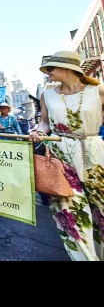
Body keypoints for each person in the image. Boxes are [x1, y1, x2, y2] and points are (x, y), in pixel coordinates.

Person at [29, 50, 104, 261]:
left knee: (100, 211)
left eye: (51, 68)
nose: (48, 73)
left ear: (67, 68)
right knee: (69, 213)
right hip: (60, 156)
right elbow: (44, 122)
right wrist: (38, 132)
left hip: (95, 154)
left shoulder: (98, 91)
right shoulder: (47, 95)